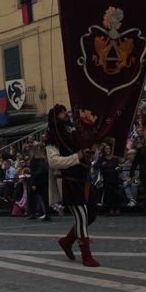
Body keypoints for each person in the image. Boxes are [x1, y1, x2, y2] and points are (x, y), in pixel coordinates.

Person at [45, 104, 99, 267]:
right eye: (61, 113)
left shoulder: (76, 131)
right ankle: (86, 255)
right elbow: (53, 162)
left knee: (91, 215)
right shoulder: (52, 137)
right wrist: (78, 156)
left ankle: (67, 241)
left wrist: (91, 151)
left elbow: (86, 152)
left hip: (84, 178)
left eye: (64, 111)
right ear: (55, 118)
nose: (65, 114)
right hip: (69, 181)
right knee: (82, 215)